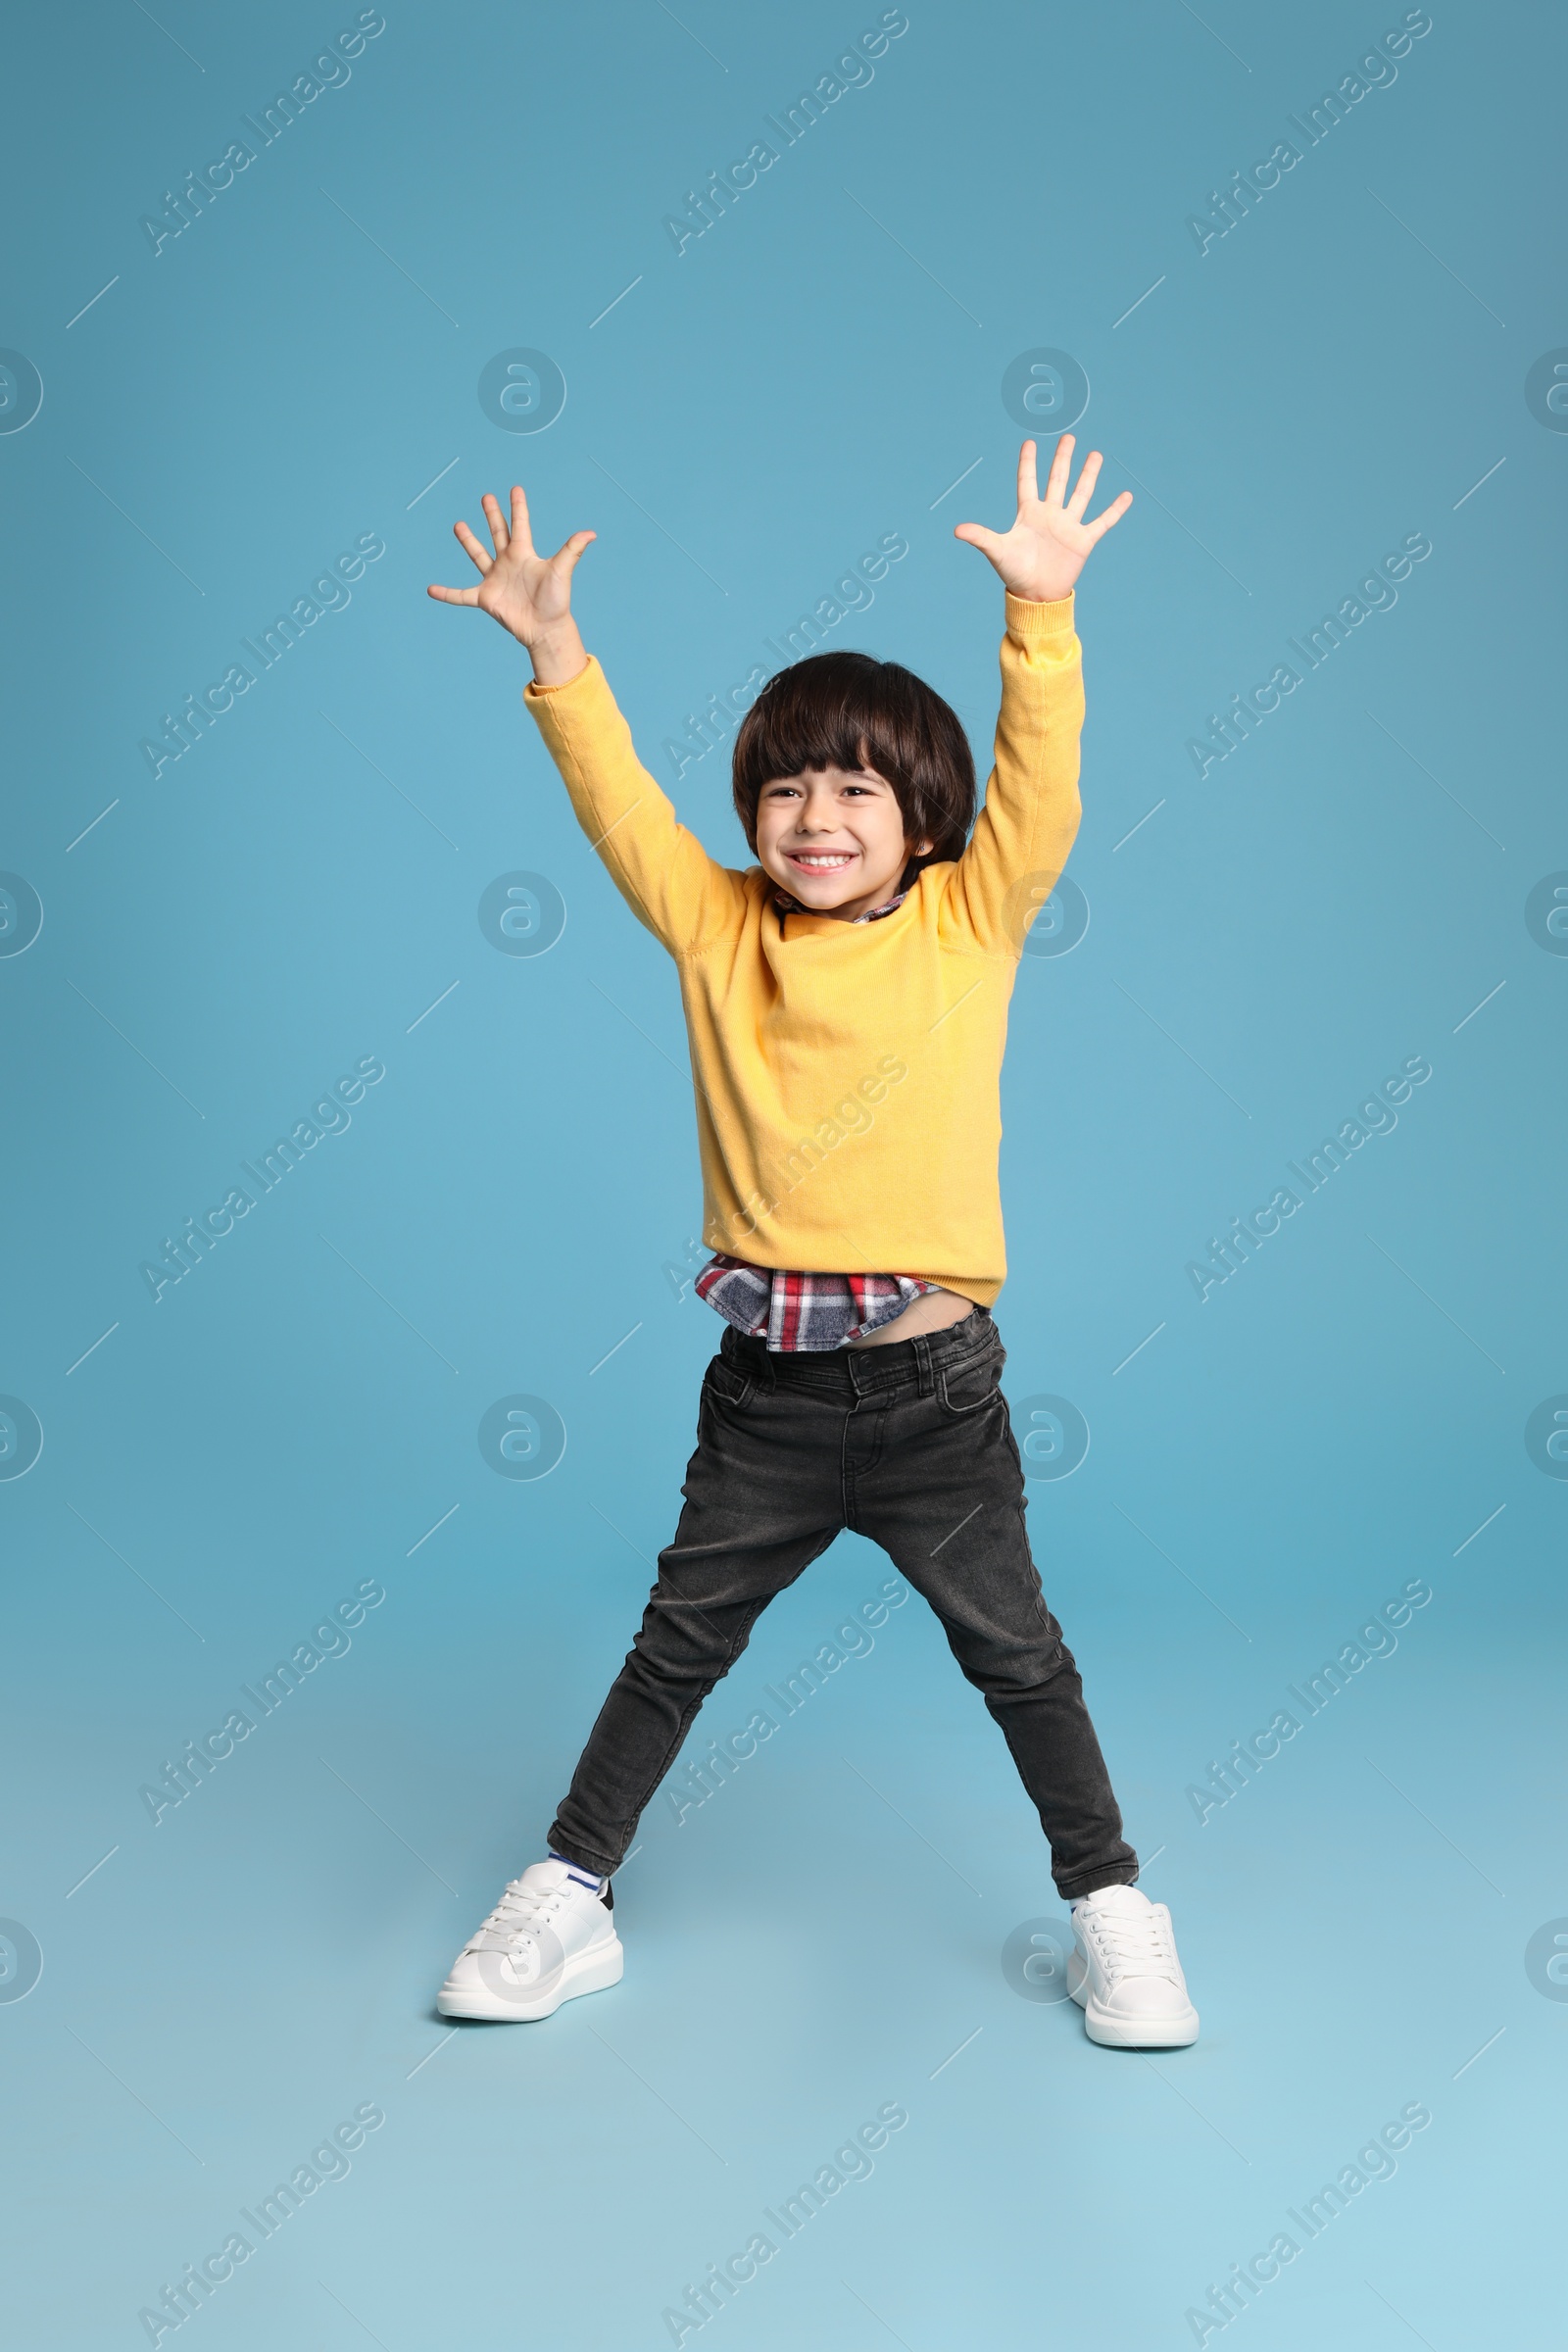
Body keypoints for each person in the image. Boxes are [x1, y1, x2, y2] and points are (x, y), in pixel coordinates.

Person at [424, 435, 1198, 2048]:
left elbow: (1039, 790)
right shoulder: (718, 932)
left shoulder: (969, 923)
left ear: (924, 819)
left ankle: (1115, 1907)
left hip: (936, 1400)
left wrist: (1039, 622)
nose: (815, 815)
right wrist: (559, 660)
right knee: (674, 1647)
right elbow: (620, 811)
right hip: (765, 1401)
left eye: (856, 788)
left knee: (1020, 1657)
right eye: (785, 787)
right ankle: (572, 1895)